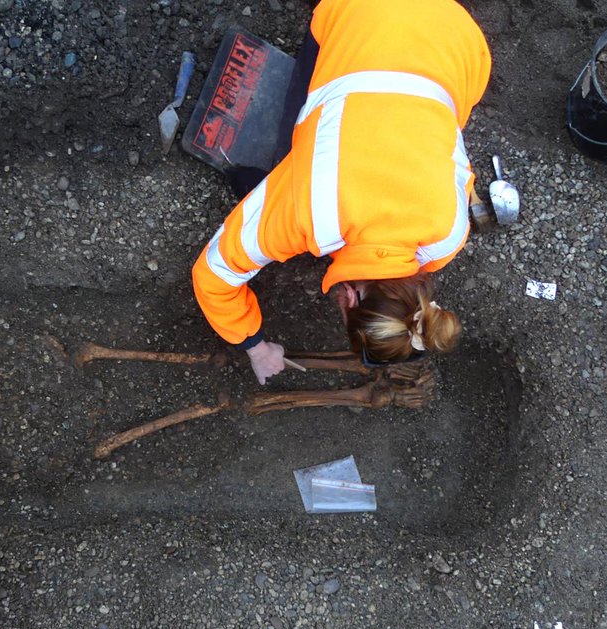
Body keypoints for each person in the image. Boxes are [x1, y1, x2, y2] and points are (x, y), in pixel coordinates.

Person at [191, 0, 492, 383]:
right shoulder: (307, 211)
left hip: (457, 37)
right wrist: (256, 345)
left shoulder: (448, 236)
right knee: (291, 149)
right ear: (349, 300)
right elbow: (212, 276)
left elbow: (458, 169)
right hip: (360, 10)